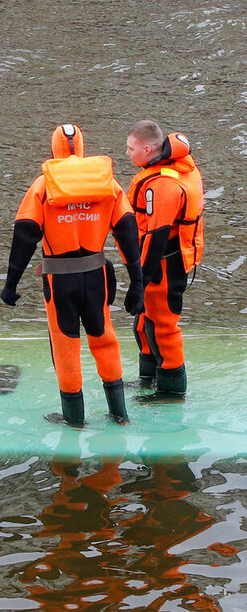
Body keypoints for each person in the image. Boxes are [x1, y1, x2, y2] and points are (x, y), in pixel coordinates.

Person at [2, 124, 144, 427]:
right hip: (97, 277)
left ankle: (74, 420)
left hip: (60, 281)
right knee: (104, 340)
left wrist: (11, 284)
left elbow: (25, 234)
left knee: (66, 346)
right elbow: (128, 231)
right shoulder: (107, 184)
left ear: (54, 147)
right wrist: (137, 282)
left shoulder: (43, 185)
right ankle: (120, 415)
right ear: (81, 146)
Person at [125, 120, 204, 401]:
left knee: (163, 327)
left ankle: (171, 391)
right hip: (155, 262)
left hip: (165, 264)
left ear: (147, 149)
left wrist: (139, 282)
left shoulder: (162, 185)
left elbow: (156, 238)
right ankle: (148, 379)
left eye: (131, 148)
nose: (127, 153)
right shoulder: (168, 168)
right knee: (143, 323)